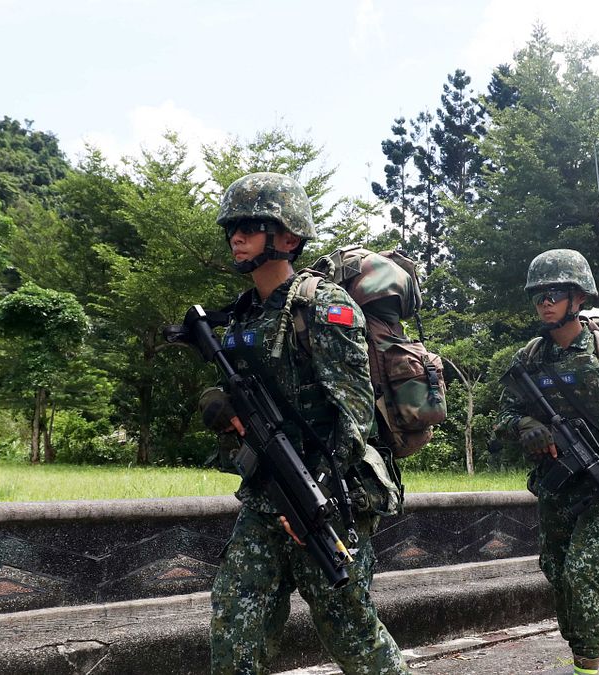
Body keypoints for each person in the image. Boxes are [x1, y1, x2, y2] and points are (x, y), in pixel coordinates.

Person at [202, 172, 407, 674]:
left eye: (251, 225)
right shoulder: (243, 316)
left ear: (288, 238)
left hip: (327, 497)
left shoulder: (323, 306)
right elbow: (242, 396)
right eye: (233, 226)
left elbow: (355, 416)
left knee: (352, 634)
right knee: (234, 629)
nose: (237, 236)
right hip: (264, 495)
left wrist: (311, 498)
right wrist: (219, 406)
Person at [494, 249, 599, 675]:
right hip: (556, 485)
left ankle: (588, 666)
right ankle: (579, 649)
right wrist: (525, 425)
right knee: (556, 571)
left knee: (582, 574)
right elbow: (502, 418)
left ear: (578, 298)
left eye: (554, 293)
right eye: (538, 296)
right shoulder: (528, 359)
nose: (544, 303)